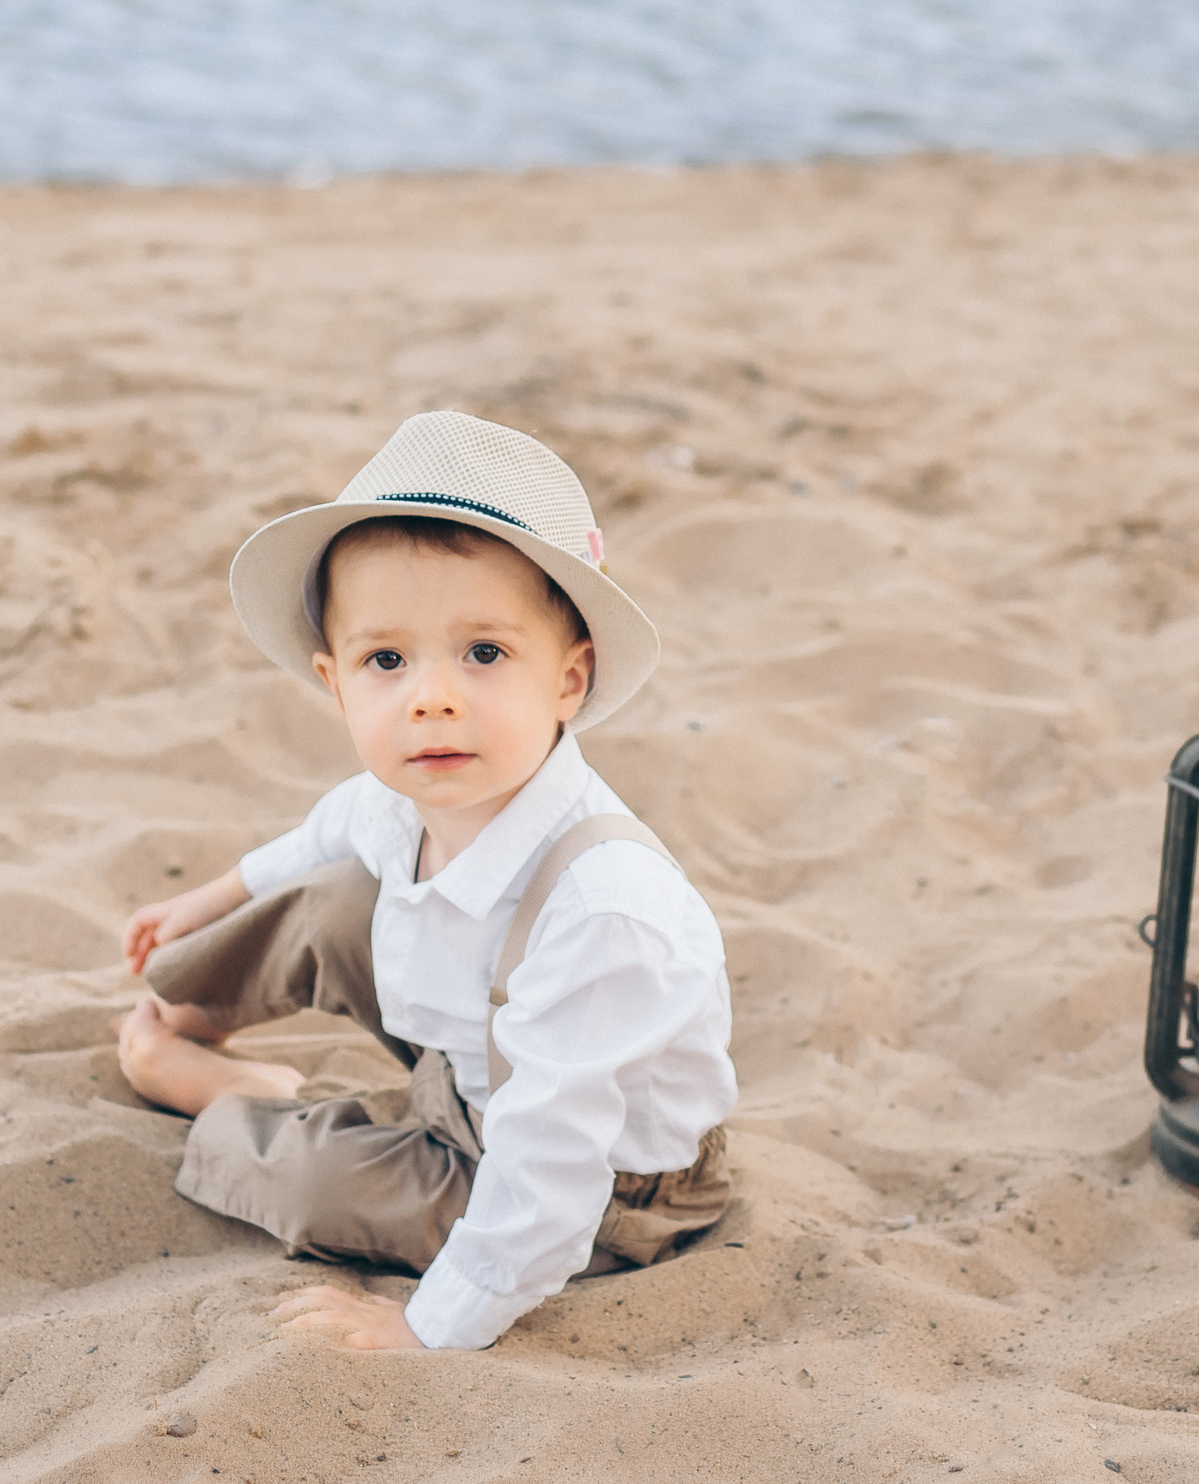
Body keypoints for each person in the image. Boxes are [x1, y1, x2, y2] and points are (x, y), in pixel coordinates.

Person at [117, 410, 736, 1351]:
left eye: (484, 653)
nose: (431, 695)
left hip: (604, 1189)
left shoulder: (604, 910)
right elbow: (321, 832)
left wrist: (429, 1327)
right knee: (335, 893)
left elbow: (549, 1174)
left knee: (316, 1185)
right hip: (472, 1065)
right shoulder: (402, 797)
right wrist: (205, 903)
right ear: (335, 682)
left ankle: (226, 1089)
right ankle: (189, 1004)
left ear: (570, 680)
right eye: (386, 659)